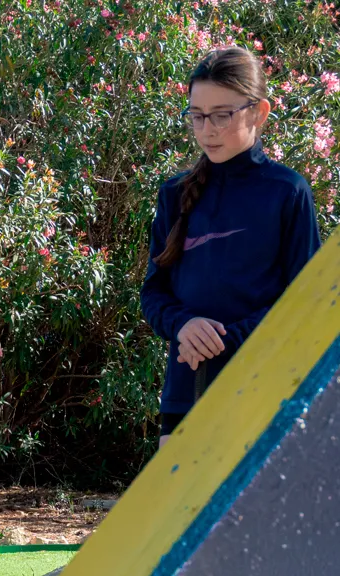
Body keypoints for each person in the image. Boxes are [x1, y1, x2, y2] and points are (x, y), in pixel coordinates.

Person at [140, 46, 321, 448]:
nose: (208, 129)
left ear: (258, 112)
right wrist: (183, 325)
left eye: (223, 114)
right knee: (181, 511)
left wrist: (224, 339)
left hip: (265, 391)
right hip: (187, 390)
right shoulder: (174, 193)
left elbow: (304, 304)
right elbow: (153, 293)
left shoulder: (287, 191)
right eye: (197, 115)